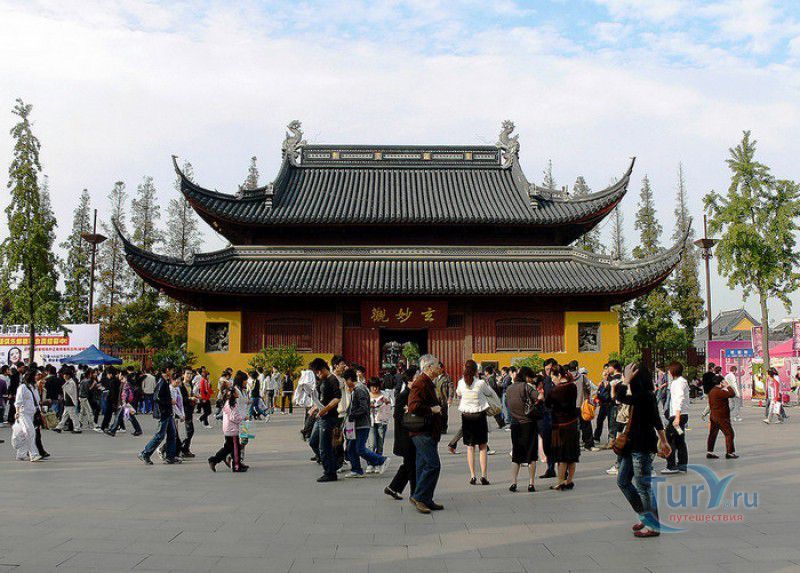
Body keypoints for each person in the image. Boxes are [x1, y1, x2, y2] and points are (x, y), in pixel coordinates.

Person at [615, 364, 671, 538]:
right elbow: (656, 420)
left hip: (642, 447)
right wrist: (664, 442)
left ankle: (652, 526)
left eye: (629, 376)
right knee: (623, 481)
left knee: (643, 487)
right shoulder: (642, 396)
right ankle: (644, 516)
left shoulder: (644, 396)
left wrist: (664, 441)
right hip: (632, 445)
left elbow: (619, 396)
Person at [407, 354, 444, 513]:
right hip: (422, 431)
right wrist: (432, 409)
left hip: (427, 430)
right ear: (429, 367)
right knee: (433, 465)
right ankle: (420, 497)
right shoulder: (421, 383)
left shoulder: (427, 381)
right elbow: (413, 406)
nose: (439, 367)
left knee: (422, 465)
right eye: (437, 365)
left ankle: (426, 498)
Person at [456, 359, 497, 485]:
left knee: (470, 447)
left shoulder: (461, 382)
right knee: (483, 446)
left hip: (466, 416)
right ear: (476, 371)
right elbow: (489, 393)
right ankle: (484, 475)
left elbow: (458, 394)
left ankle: (473, 475)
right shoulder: (480, 383)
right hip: (479, 416)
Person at [342, 368, 389, 478]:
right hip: (354, 424)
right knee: (350, 448)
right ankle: (356, 470)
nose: (345, 384)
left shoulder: (360, 390)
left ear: (349, 379)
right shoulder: (356, 389)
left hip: (361, 424)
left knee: (360, 449)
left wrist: (352, 415)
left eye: (345, 381)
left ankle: (381, 460)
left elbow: (363, 408)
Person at [505, 367, 542, 492]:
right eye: (530, 377)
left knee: (516, 454)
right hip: (528, 424)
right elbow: (540, 396)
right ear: (526, 377)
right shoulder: (527, 387)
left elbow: (507, 404)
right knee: (531, 454)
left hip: (515, 424)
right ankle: (531, 483)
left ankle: (514, 482)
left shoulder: (509, 388)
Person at [385, 366, 418, 500]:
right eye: (416, 376)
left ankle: (393, 488)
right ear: (410, 380)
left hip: (412, 435)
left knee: (409, 464)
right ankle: (415, 494)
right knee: (412, 466)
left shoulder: (413, 394)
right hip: (406, 437)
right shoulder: (403, 396)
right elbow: (398, 416)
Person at [545, 364, 580, 490]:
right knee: (572, 456)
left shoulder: (555, 391)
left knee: (562, 457)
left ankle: (560, 482)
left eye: (553, 377)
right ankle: (569, 481)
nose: (552, 380)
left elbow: (547, 404)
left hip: (560, 426)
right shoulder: (573, 386)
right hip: (572, 424)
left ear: (559, 375)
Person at [139, 365, 179, 465]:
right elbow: (156, 397)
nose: (173, 372)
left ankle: (170, 456)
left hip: (168, 412)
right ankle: (145, 453)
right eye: (172, 370)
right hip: (164, 412)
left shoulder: (165, 381)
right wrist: (169, 401)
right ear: (167, 370)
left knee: (172, 434)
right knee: (160, 435)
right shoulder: (161, 382)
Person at [309, 358, 341, 482]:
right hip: (321, 416)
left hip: (329, 417)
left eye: (318, 372)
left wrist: (325, 409)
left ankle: (330, 472)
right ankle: (332, 464)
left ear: (323, 369)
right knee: (313, 441)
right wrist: (314, 408)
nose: (317, 375)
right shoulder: (322, 380)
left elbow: (337, 398)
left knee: (324, 446)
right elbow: (321, 398)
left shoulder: (333, 380)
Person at [208, 385, 247, 472]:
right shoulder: (232, 404)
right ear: (233, 394)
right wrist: (243, 418)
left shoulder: (227, 402)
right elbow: (234, 417)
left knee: (228, 447)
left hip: (228, 428)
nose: (238, 393)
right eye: (236, 392)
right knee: (236, 448)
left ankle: (214, 460)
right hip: (232, 429)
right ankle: (236, 466)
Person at [662, 361, 689, 474]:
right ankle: (682, 464)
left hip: (677, 415)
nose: (668, 372)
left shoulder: (677, 383)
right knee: (680, 440)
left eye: (669, 370)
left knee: (670, 439)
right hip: (682, 415)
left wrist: (676, 417)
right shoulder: (682, 381)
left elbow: (679, 399)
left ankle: (671, 465)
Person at [12, 370, 43, 462]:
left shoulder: (34, 387)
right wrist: (17, 412)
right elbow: (18, 401)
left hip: (31, 414)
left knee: (22, 434)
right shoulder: (22, 387)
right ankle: (33, 454)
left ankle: (21, 454)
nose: (38, 377)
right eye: (36, 375)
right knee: (30, 432)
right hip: (23, 413)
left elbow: (37, 401)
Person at [706, 374, 738, 459]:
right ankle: (729, 452)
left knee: (713, 434)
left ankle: (710, 451)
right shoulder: (719, 392)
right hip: (722, 417)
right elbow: (732, 394)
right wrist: (728, 386)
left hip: (713, 416)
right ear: (721, 382)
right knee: (729, 433)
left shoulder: (712, 391)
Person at [538, 358, 558, 479]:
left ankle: (563, 469)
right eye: (546, 369)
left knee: (558, 443)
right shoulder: (543, 380)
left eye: (550, 369)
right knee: (547, 443)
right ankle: (550, 468)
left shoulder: (560, 380)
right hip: (545, 415)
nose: (548, 371)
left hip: (558, 415)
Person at [106, 370, 143, 437]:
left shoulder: (126, 384)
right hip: (126, 403)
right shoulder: (125, 383)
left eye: (120, 374)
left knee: (118, 417)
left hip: (124, 403)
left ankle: (112, 431)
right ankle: (138, 430)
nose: (119, 376)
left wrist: (123, 402)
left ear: (123, 376)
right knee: (130, 417)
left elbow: (124, 394)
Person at [367, 377, 392, 458]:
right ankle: (371, 461)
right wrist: (368, 406)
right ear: (369, 387)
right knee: (372, 444)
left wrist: (387, 402)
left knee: (380, 444)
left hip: (382, 421)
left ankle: (378, 461)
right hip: (370, 421)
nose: (375, 389)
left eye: (377, 386)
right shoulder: (367, 395)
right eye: (373, 387)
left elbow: (391, 406)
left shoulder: (385, 394)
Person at [53, 366, 81, 434]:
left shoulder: (71, 382)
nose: (64, 376)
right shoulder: (68, 382)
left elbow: (70, 392)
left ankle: (77, 428)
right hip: (68, 401)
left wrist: (64, 386)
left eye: (65, 375)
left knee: (73, 416)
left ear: (68, 375)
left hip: (70, 401)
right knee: (65, 415)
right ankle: (59, 427)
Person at [593, 365, 613, 447]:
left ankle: (610, 439)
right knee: (599, 420)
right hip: (603, 404)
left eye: (606, 374)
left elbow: (609, 395)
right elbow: (599, 393)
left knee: (610, 422)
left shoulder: (611, 382)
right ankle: (596, 437)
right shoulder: (601, 383)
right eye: (604, 374)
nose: (605, 375)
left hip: (609, 404)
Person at [180, 368, 197, 457]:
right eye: (187, 373)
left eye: (191, 374)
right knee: (190, 430)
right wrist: (190, 398)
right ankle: (183, 449)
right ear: (183, 374)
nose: (189, 375)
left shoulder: (190, 384)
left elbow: (190, 395)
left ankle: (185, 449)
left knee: (190, 431)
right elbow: (180, 399)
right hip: (183, 410)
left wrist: (194, 397)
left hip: (189, 409)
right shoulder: (180, 385)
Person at [433, 364, 452, 434]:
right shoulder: (434, 377)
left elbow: (450, 388)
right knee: (436, 414)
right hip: (436, 398)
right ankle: (438, 427)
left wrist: (450, 398)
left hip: (443, 398)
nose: (437, 369)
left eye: (439, 368)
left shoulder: (447, 377)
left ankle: (444, 428)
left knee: (444, 414)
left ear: (442, 369)